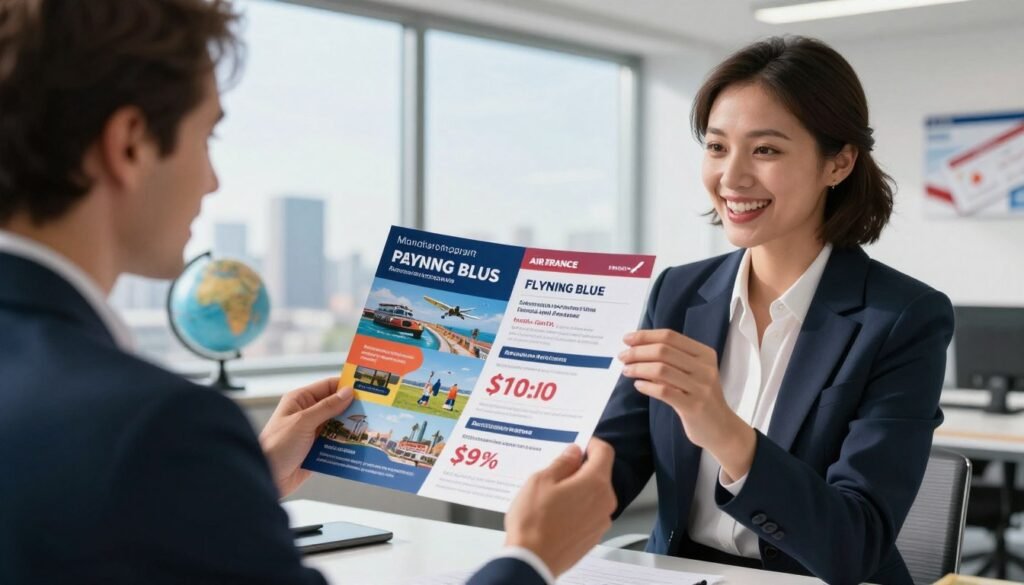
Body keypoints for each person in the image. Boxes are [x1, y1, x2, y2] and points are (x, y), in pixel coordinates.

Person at [0, 1, 617, 583]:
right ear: (131, 143)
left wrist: (236, 485)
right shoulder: (154, 424)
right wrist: (531, 559)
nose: (213, 181)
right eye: (206, 137)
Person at [595, 36, 954, 585]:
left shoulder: (903, 318)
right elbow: (614, 462)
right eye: (717, 147)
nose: (732, 177)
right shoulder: (677, 293)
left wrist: (719, 425)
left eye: (765, 150)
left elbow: (854, 545)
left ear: (839, 162)